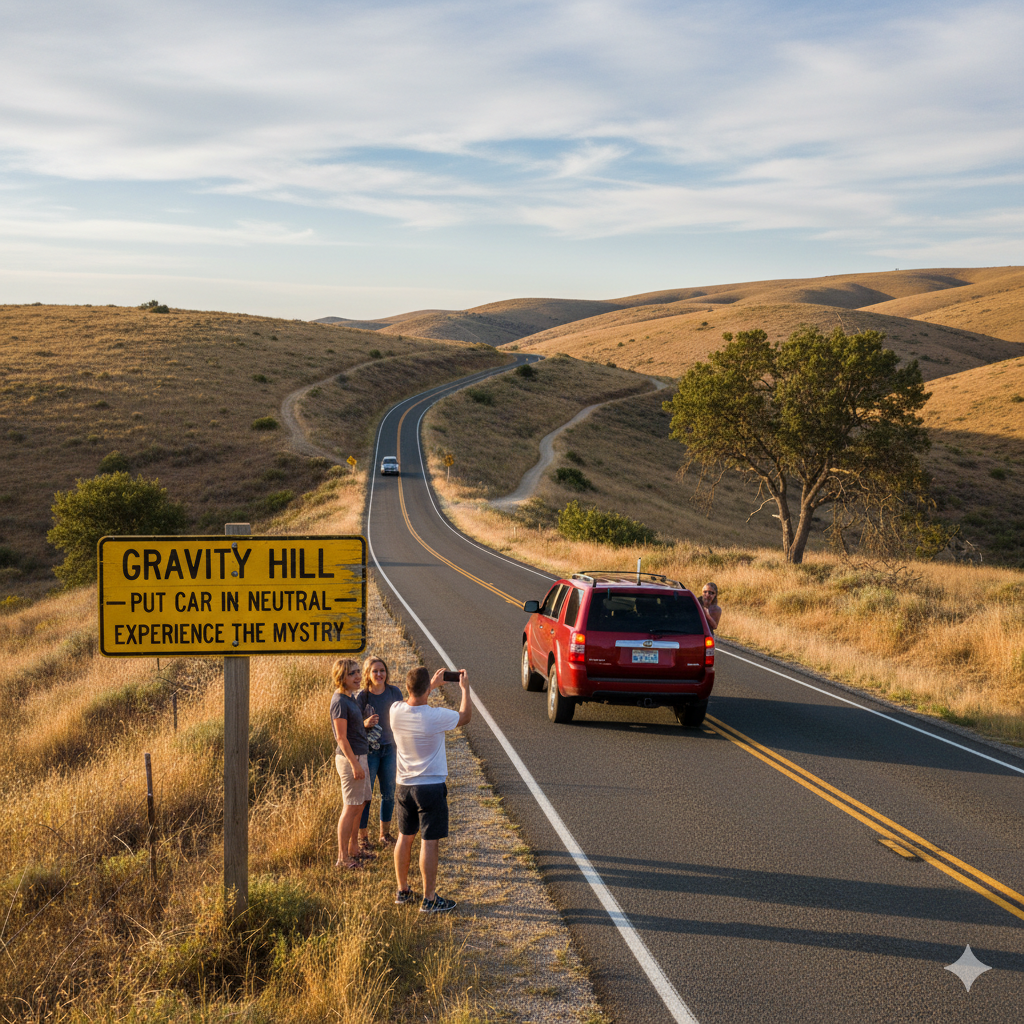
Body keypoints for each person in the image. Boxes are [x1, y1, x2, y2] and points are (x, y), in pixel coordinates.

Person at [390, 666, 471, 913]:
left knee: (405, 837)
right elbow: (464, 716)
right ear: (427, 689)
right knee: (429, 841)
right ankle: (429, 898)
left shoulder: (395, 711)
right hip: (431, 787)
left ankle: (402, 890)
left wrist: (430, 687)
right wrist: (465, 689)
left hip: (404, 786)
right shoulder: (436, 716)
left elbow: (409, 700)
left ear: (407, 687)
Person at [330, 657, 378, 870]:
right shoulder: (340, 701)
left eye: (358, 672)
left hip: (361, 756)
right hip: (351, 759)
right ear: (342, 677)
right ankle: (342, 859)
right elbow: (341, 737)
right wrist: (354, 764)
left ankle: (354, 849)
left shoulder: (350, 697)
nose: (358, 676)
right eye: (352, 674)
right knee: (350, 807)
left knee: (362, 802)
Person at [355, 655, 403, 853]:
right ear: (367, 674)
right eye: (375, 671)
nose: (379, 674)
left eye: (382, 670)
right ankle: (363, 837)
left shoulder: (394, 692)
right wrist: (365, 723)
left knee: (389, 793)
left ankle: (384, 834)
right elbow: (351, 725)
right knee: (367, 795)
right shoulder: (362, 696)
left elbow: (404, 715)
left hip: (390, 749)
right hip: (370, 751)